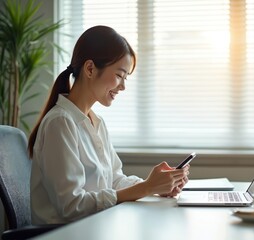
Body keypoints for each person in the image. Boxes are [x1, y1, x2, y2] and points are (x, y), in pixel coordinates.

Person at [27, 25, 190, 224]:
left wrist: (155, 186)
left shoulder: (96, 122)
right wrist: (145, 188)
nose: (122, 86)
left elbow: (113, 180)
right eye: (120, 75)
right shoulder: (60, 123)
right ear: (90, 69)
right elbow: (71, 206)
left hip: (95, 227)